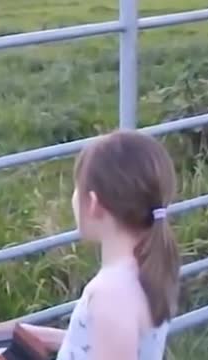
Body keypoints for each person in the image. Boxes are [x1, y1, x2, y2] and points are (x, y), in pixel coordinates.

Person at [21, 130, 181, 360]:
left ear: (94, 203)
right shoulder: (148, 266)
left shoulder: (111, 294)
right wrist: (38, 337)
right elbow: (116, 340)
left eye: (77, 187)